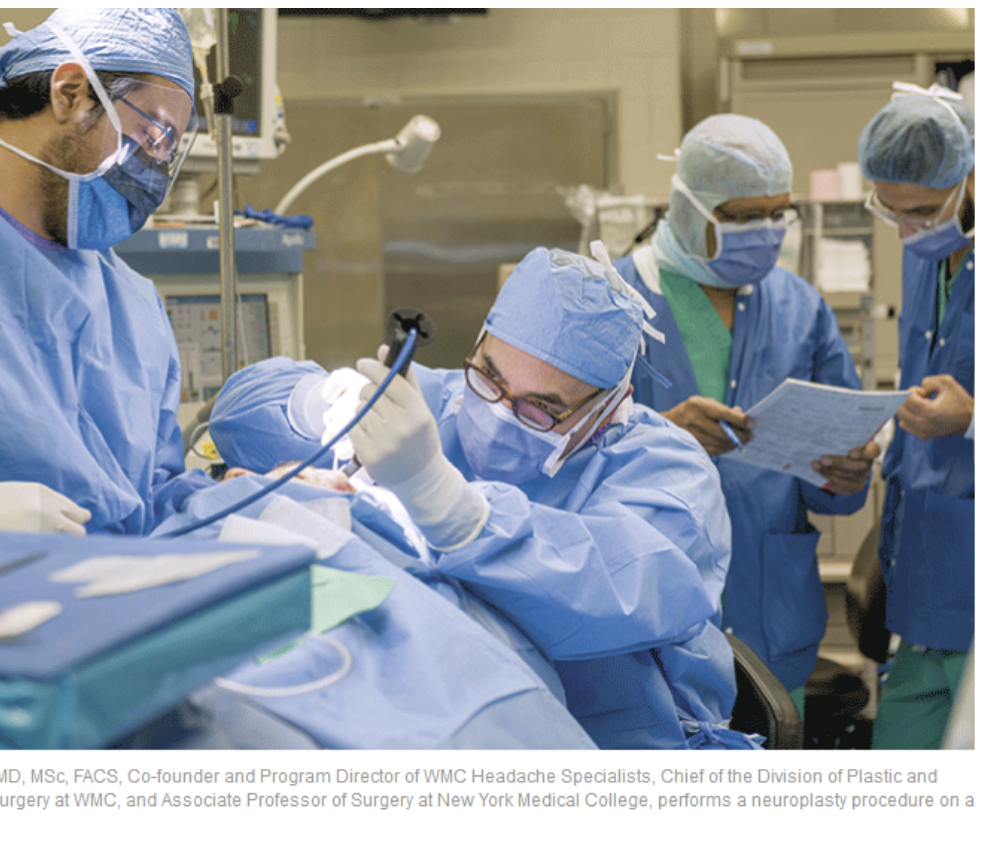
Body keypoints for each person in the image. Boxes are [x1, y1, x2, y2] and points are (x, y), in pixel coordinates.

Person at [208, 246, 755, 750]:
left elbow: (621, 591)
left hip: (613, 742)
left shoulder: (667, 471)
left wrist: (449, 506)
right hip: (438, 716)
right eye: (490, 376)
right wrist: (326, 402)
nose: (497, 411)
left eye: (541, 408)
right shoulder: (438, 402)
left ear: (610, 408)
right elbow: (238, 414)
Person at [0, 8, 214, 536]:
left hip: (115, 605)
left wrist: (256, 495)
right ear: (70, 93)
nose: (155, 169)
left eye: (169, 150)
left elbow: (153, 499)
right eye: (153, 133)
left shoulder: (133, 305)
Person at [613, 114, 879, 716]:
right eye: (741, 216)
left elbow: (837, 491)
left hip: (773, 619)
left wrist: (846, 471)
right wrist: (657, 433)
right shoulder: (614, 302)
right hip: (649, 622)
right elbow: (557, 462)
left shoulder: (799, 307)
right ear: (687, 207)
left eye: (777, 213)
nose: (765, 231)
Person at [858, 82, 974, 749]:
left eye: (924, 211)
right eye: (892, 211)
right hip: (923, 581)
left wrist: (972, 421)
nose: (908, 231)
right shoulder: (927, 255)